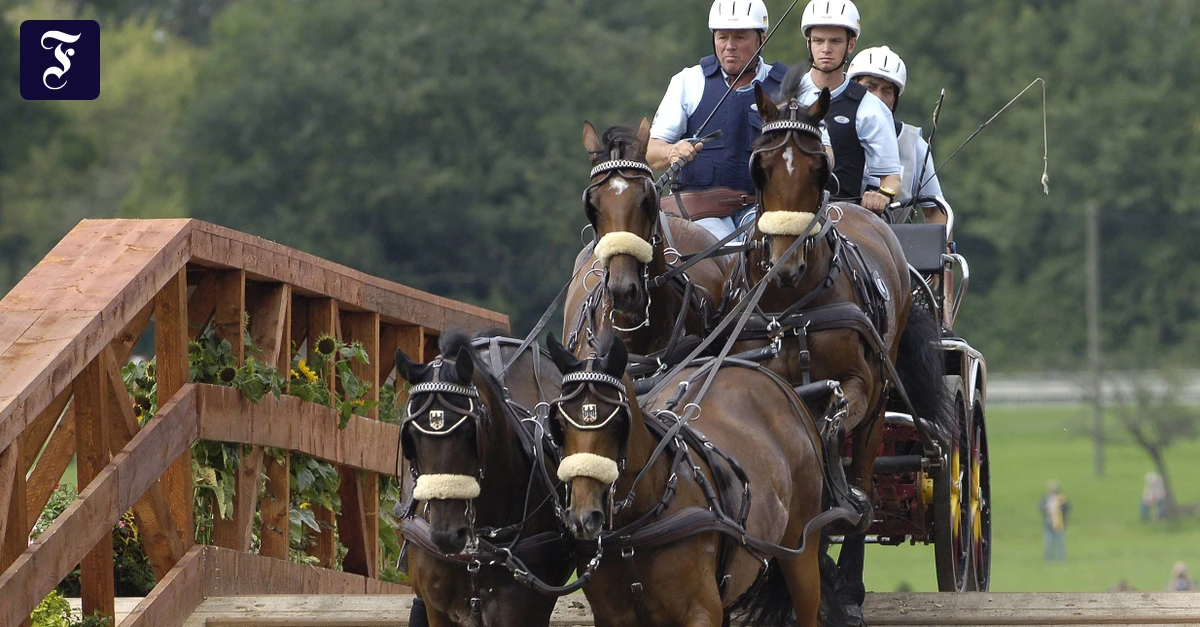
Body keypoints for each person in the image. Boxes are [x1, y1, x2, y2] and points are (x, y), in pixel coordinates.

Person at [649, 0, 827, 240]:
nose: (729, 47)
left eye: (740, 38)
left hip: (763, 211)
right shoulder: (688, 81)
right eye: (722, 38)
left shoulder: (795, 86)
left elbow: (825, 152)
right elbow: (651, 152)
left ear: (761, 39)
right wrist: (672, 150)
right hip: (698, 214)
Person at [796, 0, 902, 214]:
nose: (826, 49)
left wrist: (882, 195)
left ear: (850, 45)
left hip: (842, 215)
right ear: (809, 43)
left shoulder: (870, 107)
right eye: (818, 41)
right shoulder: (788, 94)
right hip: (788, 211)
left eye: (835, 41)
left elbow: (891, 178)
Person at [847, 45, 950, 226]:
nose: (877, 97)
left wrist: (944, 248)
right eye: (870, 87)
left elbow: (935, 211)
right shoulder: (828, 132)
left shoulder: (913, 145)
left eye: (886, 91)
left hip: (892, 248)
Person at [1040, 480, 1069, 562]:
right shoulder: (1045, 498)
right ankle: (1048, 559)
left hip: (1058, 524)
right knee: (1048, 543)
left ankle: (1061, 559)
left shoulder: (1061, 498)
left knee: (1060, 543)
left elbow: (1066, 508)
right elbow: (1041, 507)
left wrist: (1060, 508)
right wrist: (1046, 509)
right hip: (1048, 524)